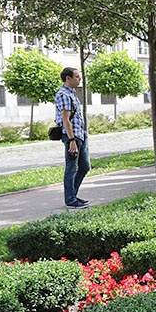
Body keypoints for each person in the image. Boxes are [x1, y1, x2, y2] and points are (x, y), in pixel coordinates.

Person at [55, 67, 90, 208]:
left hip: (80, 134)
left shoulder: (72, 93)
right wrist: (72, 141)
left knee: (85, 166)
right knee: (72, 168)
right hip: (72, 137)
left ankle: (73, 195)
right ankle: (70, 200)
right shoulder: (64, 94)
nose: (79, 79)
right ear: (68, 78)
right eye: (77, 76)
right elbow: (66, 119)